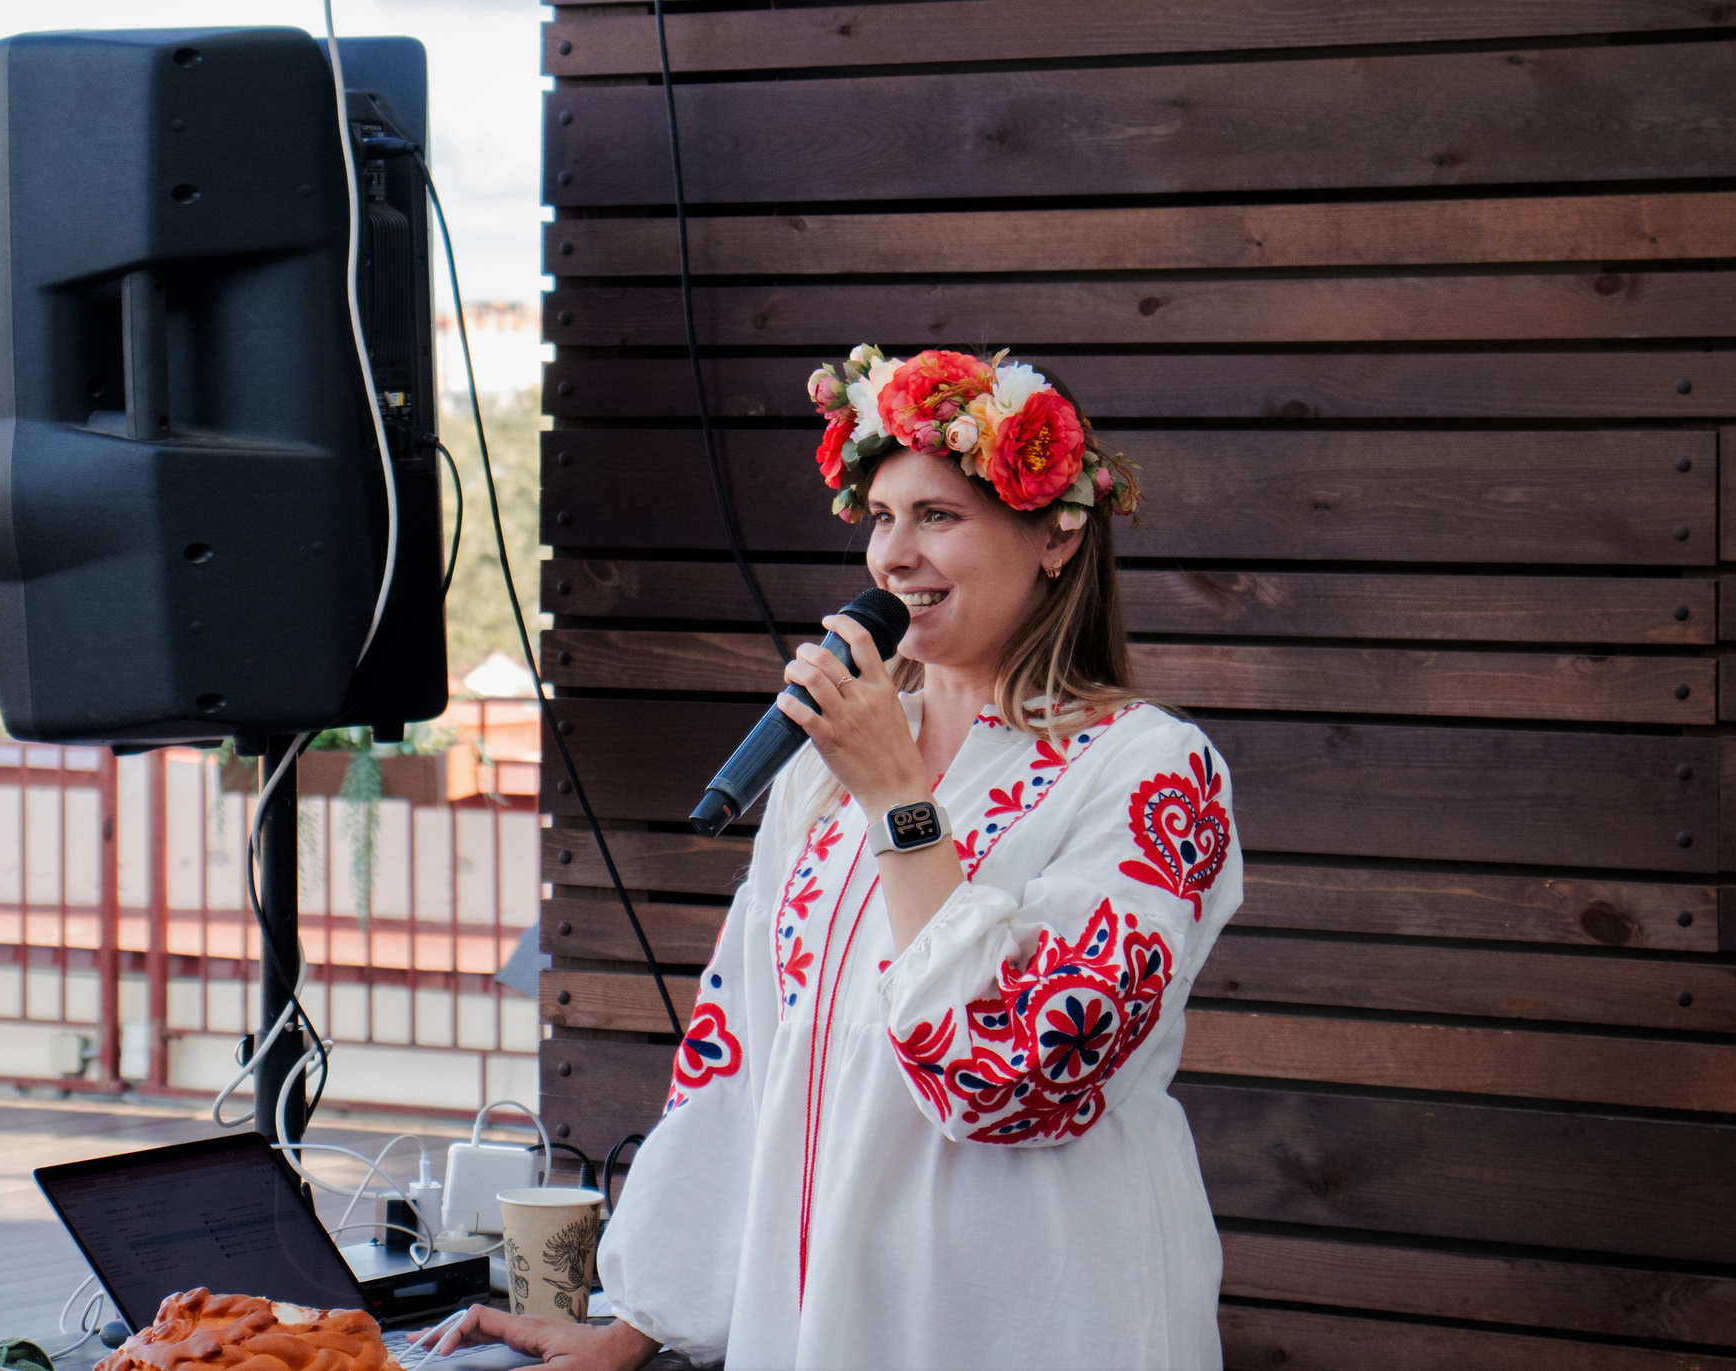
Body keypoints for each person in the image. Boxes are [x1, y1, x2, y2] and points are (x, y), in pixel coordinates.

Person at [414, 346, 1242, 1370]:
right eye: (881, 520)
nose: (893, 557)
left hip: (1028, 1316)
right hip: (813, 1321)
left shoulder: (1151, 770)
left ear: (1057, 534)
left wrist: (898, 796)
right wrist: (638, 1325)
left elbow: (1016, 1075)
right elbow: (743, 1050)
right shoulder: (818, 770)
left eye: (937, 516)